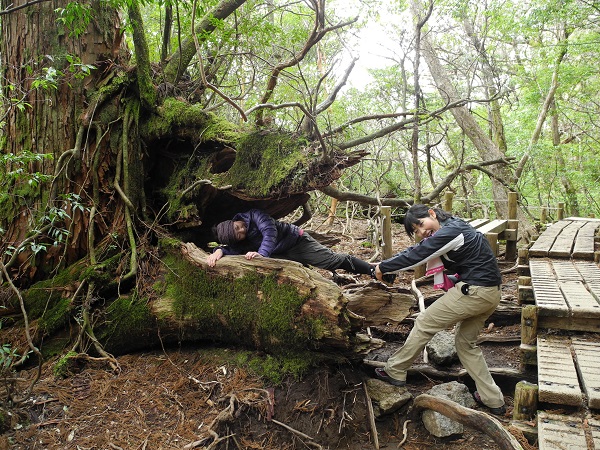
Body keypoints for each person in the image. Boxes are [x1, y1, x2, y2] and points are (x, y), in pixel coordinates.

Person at [372, 204, 506, 415]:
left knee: (424, 322)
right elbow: (421, 249)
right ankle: (492, 399)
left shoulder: (451, 231)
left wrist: (383, 267)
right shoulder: (457, 226)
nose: (421, 232)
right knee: (465, 344)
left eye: (421, 224)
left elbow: (418, 254)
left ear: (432, 213)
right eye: (416, 231)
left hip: (475, 292)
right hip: (491, 293)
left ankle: (395, 370)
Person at [206, 208, 376, 278]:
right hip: (279, 254)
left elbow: (269, 232)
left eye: (238, 227)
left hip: (297, 242)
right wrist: (218, 252)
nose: (241, 230)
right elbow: (232, 251)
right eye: (239, 235)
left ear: (233, 221)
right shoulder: (238, 241)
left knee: (331, 261)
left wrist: (262, 254)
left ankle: (373, 270)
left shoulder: (254, 215)